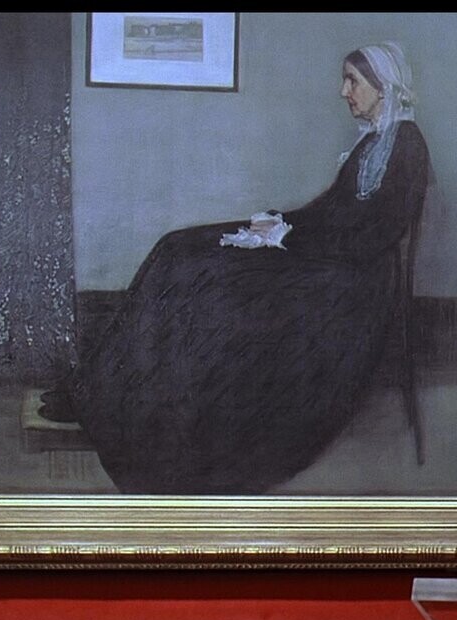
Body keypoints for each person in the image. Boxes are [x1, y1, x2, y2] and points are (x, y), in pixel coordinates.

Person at [38, 42, 432, 495]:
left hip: (348, 287)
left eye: (353, 81)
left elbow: (370, 238)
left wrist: (288, 237)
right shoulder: (374, 142)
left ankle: (152, 408)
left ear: (384, 88)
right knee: (178, 248)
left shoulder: (407, 146)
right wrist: (280, 221)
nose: (344, 91)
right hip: (328, 262)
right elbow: (332, 212)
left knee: (213, 282)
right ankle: (105, 390)